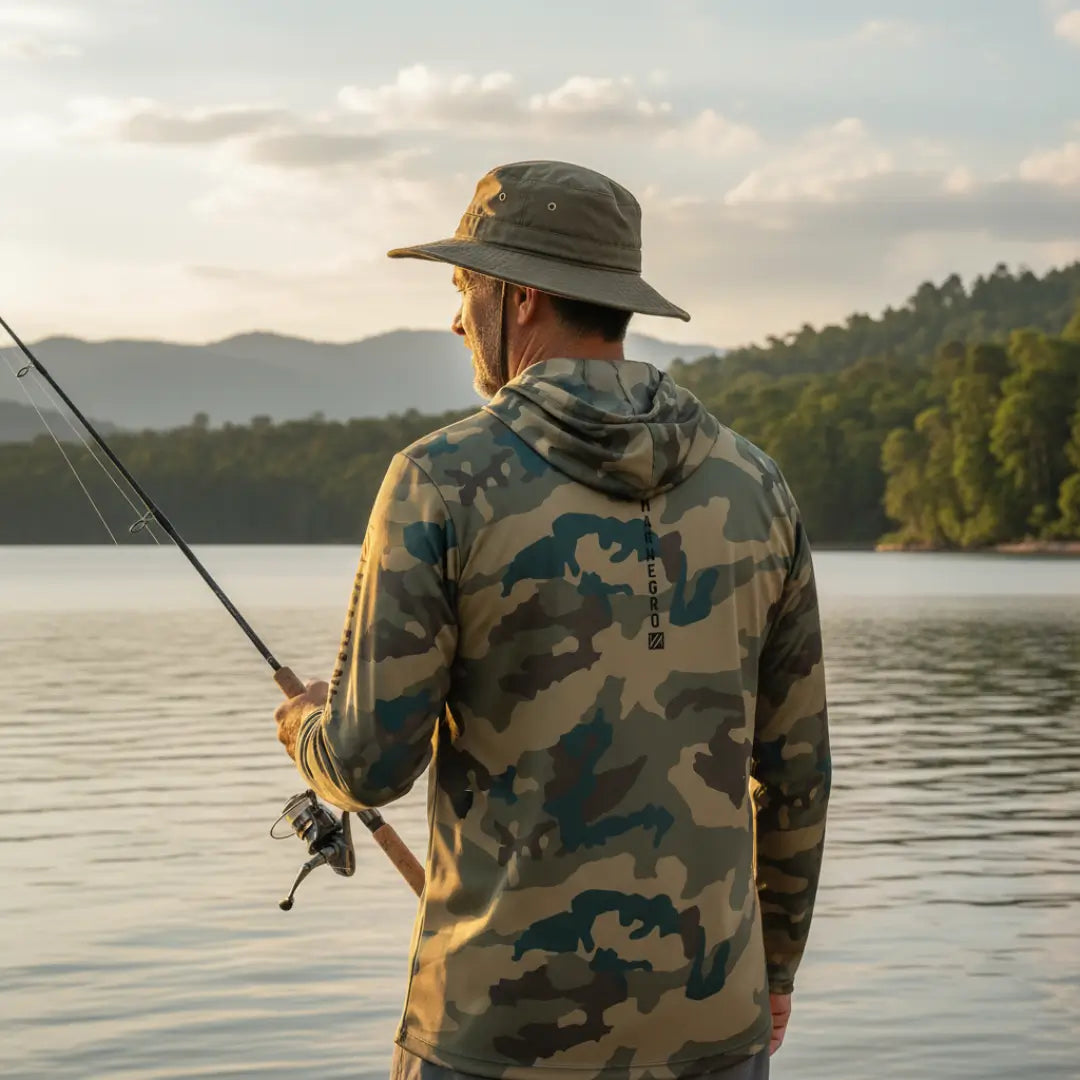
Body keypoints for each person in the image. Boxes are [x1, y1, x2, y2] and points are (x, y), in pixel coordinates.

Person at [274, 160, 831, 1080]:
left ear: (521, 297)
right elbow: (798, 766)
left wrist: (304, 727)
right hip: (713, 1030)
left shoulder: (439, 481)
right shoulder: (756, 483)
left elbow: (368, 765)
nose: (456, 318)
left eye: (464, 288)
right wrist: (773, 969)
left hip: (492, 1039)